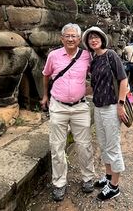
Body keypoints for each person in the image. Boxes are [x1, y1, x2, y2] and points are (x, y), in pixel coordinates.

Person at [40, 23, 95, 202]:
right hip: (58, 106)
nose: (71, 39)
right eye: (67, 36)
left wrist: (90, 89)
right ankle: (59, 182)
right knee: (57, 146)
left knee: (84, 145)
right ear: (62, 38)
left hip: (80, 107)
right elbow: (45, 75)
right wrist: (45, 96)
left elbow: (97, 74)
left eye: (74, 36)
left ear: (79, 39)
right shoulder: (53, 56)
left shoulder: (86, 56)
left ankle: (88, 177)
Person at [82, 26, 128, 201]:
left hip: (111, 107)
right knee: (103, 144)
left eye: (96, 37)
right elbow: (94, 86)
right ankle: (108, 177)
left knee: (113, 145)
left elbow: (123, 79)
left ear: (102, 39)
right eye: (90, 38)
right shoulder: (94, 60)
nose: (93, 40)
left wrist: (120, 105)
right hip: (98, 107)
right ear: (87, 42)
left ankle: (114, 186)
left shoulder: (111, 55)